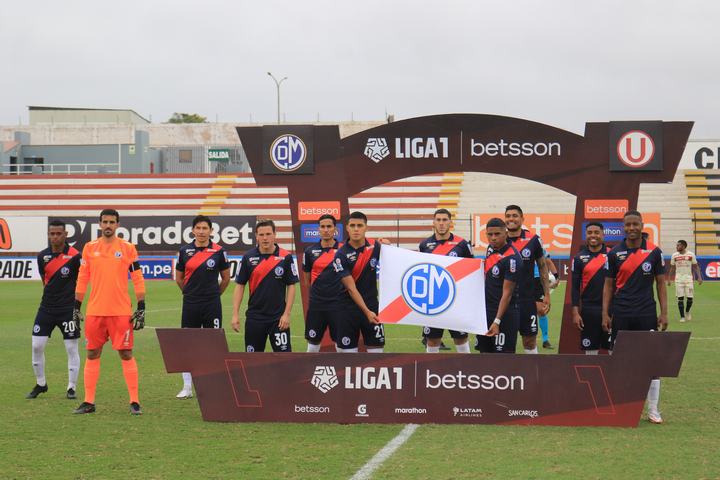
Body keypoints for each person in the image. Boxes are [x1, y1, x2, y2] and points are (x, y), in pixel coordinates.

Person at [73, 209, 146, 415]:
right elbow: (83, 277)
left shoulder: (127, 248)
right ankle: (88, 401)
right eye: (105, 222)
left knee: (126, 353)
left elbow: (137, 277)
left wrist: (141, 305)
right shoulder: (89, 248)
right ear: (99, 224)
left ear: (117, 225)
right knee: (92, 353)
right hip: (95, 311)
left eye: (112, 222)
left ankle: (134, 401)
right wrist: (76, 305)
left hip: (120, 312)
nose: (108, 225)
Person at [602, 210, 667, 424]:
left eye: (635, 224)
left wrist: (664, 312)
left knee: (651, 360)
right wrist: (605, 313)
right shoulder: (614, 253)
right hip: (621, 312)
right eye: (628, 225)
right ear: (623, 227)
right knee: (619, 359)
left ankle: (653, 409)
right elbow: (608, 285)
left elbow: (661, 284)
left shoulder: (654, 252)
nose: (631, 228)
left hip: (646, 312)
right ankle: (618, 405)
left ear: (642, 225)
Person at [174, 215, 230, 399]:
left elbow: (226, 278)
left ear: (211, 231)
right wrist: (190, 293)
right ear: (193, 230)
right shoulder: (184, 251)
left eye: (205, 228)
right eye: (198, 228)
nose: (201, 231)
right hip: (190, 304)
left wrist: (214, 295)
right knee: (188, 344)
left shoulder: (219, 251)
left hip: (212, 304)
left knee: (213, 344)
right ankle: (187, 387)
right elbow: (179, 278)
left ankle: (213, 385)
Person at [27, 220, 82, 400]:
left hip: (68, 309)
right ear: (48, 235)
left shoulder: (75, 256)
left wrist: (77, 306)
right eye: (52, 234)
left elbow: (82, 281)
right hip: (46, 308)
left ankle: (71, 387)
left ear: (65, 235)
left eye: (59, 234)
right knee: (36, 346)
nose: (55, 237)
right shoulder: (42, 256)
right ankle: (41, 384)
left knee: (71, 348)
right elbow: (45, 280)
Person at [231, 219, 298, 352]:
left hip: (278, 319)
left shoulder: (286, 257)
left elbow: (291, 286)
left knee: (284, 358)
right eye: (261, 235)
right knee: (253, 360)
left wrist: (286, 314)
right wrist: (235, 314)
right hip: (254, 319)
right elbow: (240, 286)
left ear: (275, 234)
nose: (265, 238)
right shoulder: (248, 257)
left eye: (268, 234)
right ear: (256, 236)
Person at [418, 208, 474, 353]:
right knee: (432, 340)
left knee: (461, 339)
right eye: (438, 220)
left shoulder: (462, 244)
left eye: (444, 220)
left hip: (456, 301)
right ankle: (430, 367)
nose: (441, 223)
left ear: (450, 222)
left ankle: (467, 367)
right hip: (434, 302)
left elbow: (472, 270)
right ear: (433, 222)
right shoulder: (424, 245)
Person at [332, 211, 387, 353]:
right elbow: (351, 288)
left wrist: (389, 247)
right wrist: (366, 311)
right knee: (348, 356)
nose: (356, 229)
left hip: (372, 307)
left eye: (360, 225)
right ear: (347, 228)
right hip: (348, 310)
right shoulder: (340, 255)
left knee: (377, 353)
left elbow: (395, 263)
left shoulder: (376, 247)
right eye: (352, 225)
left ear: (366, 228)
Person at [505, 205, 549, 354]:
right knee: (505, 342)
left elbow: (542, 266)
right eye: (508, 216)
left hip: (527, 301)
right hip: (505, 302)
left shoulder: (533, 240)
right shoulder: (500, 240)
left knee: (529, 341)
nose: (511, 219)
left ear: (522, 219)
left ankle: (533, 369)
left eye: (515, 215)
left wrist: (547, 294)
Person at [476, 218, 521, 353]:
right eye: (490, 234)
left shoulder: (512, 258)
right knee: (484, 354)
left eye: (497, 234)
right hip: (486, 313)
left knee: (502, 359)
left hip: (504, 316)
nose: (493, 238)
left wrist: (497, 321)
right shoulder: (490, 249)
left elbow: (507, 294)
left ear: (505, 234)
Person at [302, 214, 343, 352]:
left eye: (329, 226)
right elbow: (307, 280)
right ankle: (309, 367)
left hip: (338, 305)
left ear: (335, 229)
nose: (326, 230)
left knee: (341, 344)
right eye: (323, 227)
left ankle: (342, 367)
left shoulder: (343, 250)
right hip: (317, 305)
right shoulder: (309, 251)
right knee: (313, 344)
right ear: (318, 229)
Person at [571, 222, 611, 355]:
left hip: (611, 310)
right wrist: (575, 313)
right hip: (589, 311)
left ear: (603, 235)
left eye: (596, 232)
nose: (593, 235)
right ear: (586, 235)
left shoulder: (612, 255)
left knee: (614, 351)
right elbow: (575, 288)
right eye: (589, 233)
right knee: (590, 353)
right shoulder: (578, 258)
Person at [667, 239, 702, 323]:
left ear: (683, 246)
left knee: (690, 298)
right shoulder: (674, 255)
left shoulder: (691, 255)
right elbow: (672, 268)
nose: (676, 246)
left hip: (689, 279)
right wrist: (669, 279)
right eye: (677, 245)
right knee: (680, 299)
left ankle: (687, 312)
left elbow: (696, 266)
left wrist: (699, 277)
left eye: (678, 245)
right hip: (678, 280)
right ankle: (682, 317)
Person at [535, 251, 559, 349]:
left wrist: (556, 276)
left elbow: (548, 261)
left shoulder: (537, 245)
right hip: (522, 279)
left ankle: (545, 339)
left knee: (541, 310)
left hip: (537, 279)